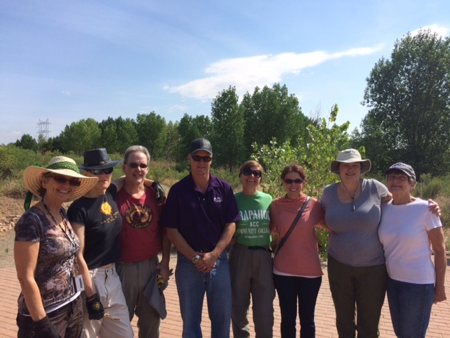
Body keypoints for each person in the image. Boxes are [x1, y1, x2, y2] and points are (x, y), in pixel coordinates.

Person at [320, 149, 440, 338]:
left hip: (373, 268)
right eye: (345, 165)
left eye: (355, 165)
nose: (350, 169)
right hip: (339, 265)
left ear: (361, 169)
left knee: (369, 323)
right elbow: (318, 217)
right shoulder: (328, 193)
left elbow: (401, 201)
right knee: (343, 320)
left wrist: (427, 204)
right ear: (339, 169)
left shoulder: (375, 188)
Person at [15, 156, 104, 338]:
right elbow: (25, 277)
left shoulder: (62, 213)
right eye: (61, 179)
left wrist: (91, 296)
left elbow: (76, 258)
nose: (67, 185)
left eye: (73, 181)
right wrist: (42, 323)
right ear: (45, 181)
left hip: (72, 306)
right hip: (45, 314)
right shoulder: (31, 221)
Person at [161, 138, 240, 338]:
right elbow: (171, 230)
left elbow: (231, 224)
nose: (201, 162)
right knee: (190, 325)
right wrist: (195, 258)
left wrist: (214, 255)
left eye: (206, 158)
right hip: (188, 264)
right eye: (197, 157)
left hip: (218, 263)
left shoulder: (224, 188)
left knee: (222, 322)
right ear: (189, 158)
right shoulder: (178, 191)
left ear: (211, 160)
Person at [67, 148, 134, 338]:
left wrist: (154, 185)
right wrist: (90, 296)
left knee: (124, 334)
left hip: (113, 277)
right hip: (91, 278)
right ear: (86, 174)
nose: (104, 175)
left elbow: (130, 178)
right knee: (86, 334)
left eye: (108, 170)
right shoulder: (79, 209)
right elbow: (78, 255)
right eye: (97, 171)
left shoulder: (111, 191)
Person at [378, 162, 447, 338]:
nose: (395, 181)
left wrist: (440, 287)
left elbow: (439, 250)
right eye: (392, 177)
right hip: (393, 282)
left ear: (412, 184)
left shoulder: (426, 209)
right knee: (401, 333)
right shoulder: (384, 208)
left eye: (402, 178)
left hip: (418, 286)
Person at [116, 145, 171, 338]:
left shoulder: (157, 197)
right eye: (133, 165)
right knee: (119, 326)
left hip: (151, 268)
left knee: (151, 325)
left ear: (148, 168)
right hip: (122, 269)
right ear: (124, 168)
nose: (138, 169)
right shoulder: (114, 196)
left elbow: (165, 232)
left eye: (142, 165)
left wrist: (165, 263)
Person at [270, 163, 327, 338]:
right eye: (288, 180)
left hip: (310, 273)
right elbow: (265, 230)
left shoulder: (314, 205)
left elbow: (334, 226)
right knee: (287, 320)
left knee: (307, 320)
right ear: (282, 182)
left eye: (297, 180)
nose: (293, 185)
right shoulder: (275, 205)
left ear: (304, 182)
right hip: (283, 271)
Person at [229, 160, 274, 338]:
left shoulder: (268, 199)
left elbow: (276, 225)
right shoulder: (232, 199)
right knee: (239, 305)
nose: (252, 176)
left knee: (264, 308)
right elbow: (224, 224)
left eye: (257, 173)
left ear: (261, 178)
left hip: (263, 255)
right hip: (240, 254)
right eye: (248, 172)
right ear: (240, 176)